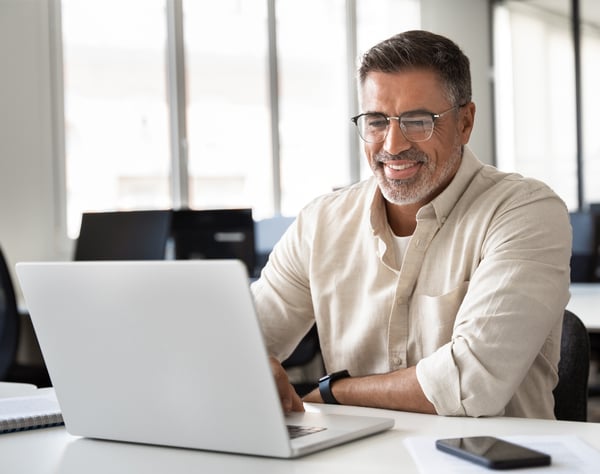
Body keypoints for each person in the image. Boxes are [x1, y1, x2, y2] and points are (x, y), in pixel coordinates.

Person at [251, 30, 571, 419]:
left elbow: (471, 382)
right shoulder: (320, 222)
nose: (392, 145)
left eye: (418, 121)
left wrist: (333, 393)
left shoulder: (525, 211)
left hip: (488, 460)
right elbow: (244, 337)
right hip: (357, 458)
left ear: (465, 122)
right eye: (376, 121)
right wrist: (244, 364)